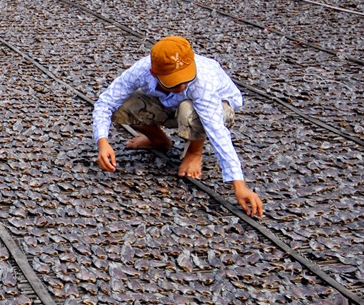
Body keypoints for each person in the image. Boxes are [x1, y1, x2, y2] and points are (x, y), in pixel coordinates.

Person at [93, 37, 264, 217]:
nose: (182, 85)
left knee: (189, 110)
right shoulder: (141, 71)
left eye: (185, 79)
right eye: (174, 81)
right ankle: (159, 140)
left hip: (218, 110)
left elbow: (217, 131)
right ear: (154, 73)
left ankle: (194, 152)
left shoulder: (202, 81)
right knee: (122, 104)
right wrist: (102, 142)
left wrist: (239, 185)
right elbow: (105, 103)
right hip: (169, 106)